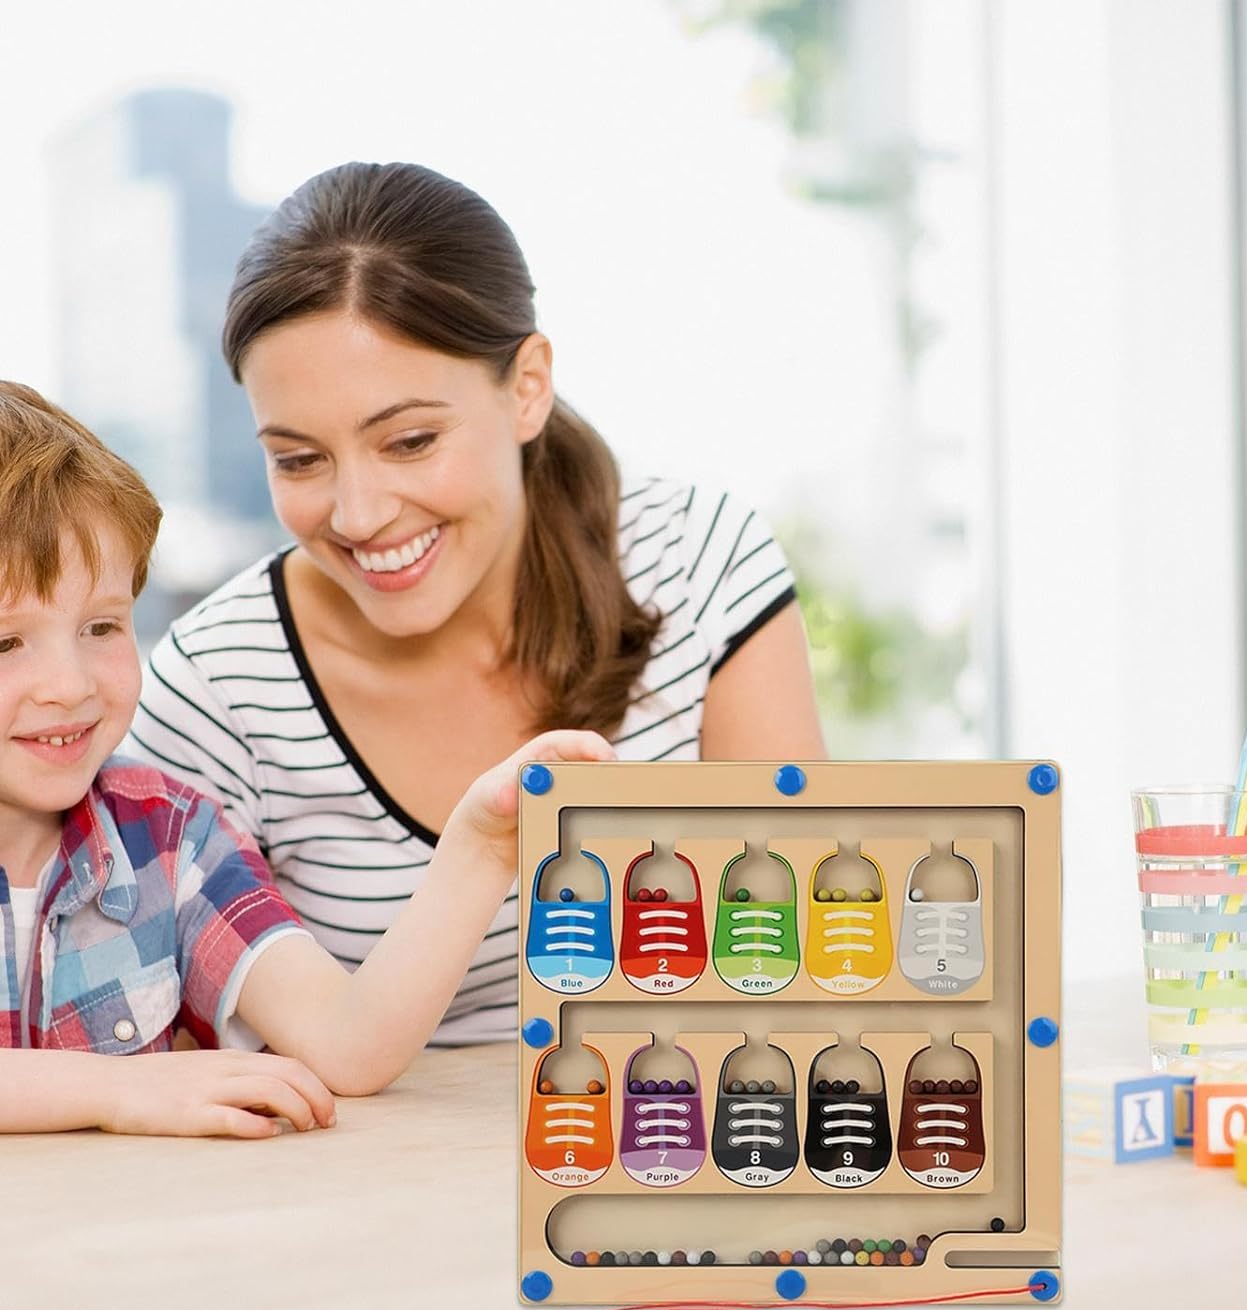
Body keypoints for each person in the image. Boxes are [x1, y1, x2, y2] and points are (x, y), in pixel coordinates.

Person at [128, 162, 824, 1045]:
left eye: (410, 441)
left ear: (527, 386)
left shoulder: (695, 560)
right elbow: (163, 1049)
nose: (359, 514)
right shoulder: (216, 688)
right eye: (299, 459)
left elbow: (794, 954)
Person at [0, 381, 612, 1137]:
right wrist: (115, 1091)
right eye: (6, 643)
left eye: (101, 627)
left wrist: (482, 848)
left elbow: (348, 1045)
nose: (70, 686)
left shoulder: (170, 839)